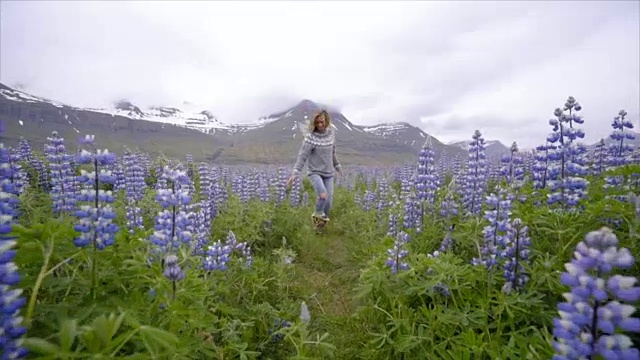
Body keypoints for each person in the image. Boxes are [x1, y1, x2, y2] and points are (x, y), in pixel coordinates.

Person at [287, 109, 342, 223]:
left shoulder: (331, 135)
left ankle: (322, 223)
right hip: (315, 172)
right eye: (317, 123)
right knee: (323, 195)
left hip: (329, 173)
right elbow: (302, 156)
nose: (320, 125)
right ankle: (316, 217)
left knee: (328, 201)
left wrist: (337, 166)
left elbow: (332, 153)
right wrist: (295, 173)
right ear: (314, 123)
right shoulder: (310, 137)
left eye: (322, 122)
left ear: (326, 121)